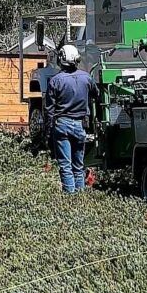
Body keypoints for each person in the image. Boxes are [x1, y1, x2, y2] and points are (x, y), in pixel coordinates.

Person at [44, 44, 100, 194]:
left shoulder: (55, 81)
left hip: (62, 125)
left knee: (65, 165)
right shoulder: (86, 78)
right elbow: (97, 95)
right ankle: (79, 197)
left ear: (61, 59)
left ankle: (70, 197)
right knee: (78, 165)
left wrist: (47, 133)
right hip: (80, 126)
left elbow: (49, 111)